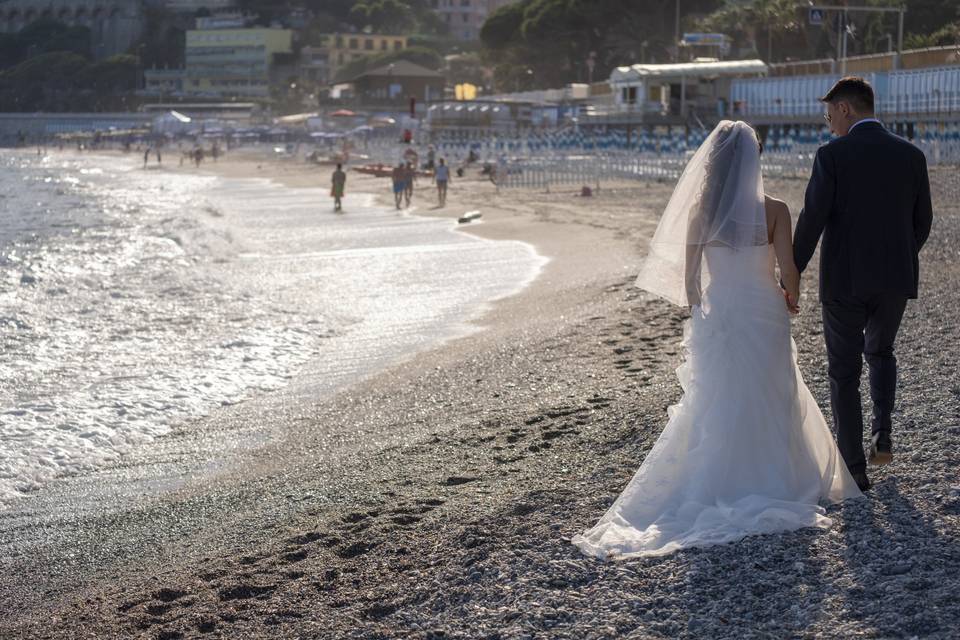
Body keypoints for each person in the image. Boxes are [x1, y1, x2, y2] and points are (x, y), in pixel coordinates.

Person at [571, 121, 861, 560]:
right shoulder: (776, 209)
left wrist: (705, 312)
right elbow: (790, 269)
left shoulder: (701, 213)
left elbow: (689, 282)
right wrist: (791, 297)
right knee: (771, 390)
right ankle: (778, 476)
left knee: (718, 399)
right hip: (764, 312)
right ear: (754, 162)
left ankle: (720, 479)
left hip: (722, 313)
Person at [792, 77, 933, 491]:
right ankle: (882, 431)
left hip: (845, 280)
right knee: (882, 351)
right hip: (894, 278)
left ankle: (855, 469)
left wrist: (793, 271)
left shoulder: (832, 155)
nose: (828, 121)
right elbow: (921, 222)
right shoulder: (911, 155)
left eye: (829, 113)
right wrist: (900, 258)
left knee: (844, 372)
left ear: (846, 109)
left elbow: (812, 218)